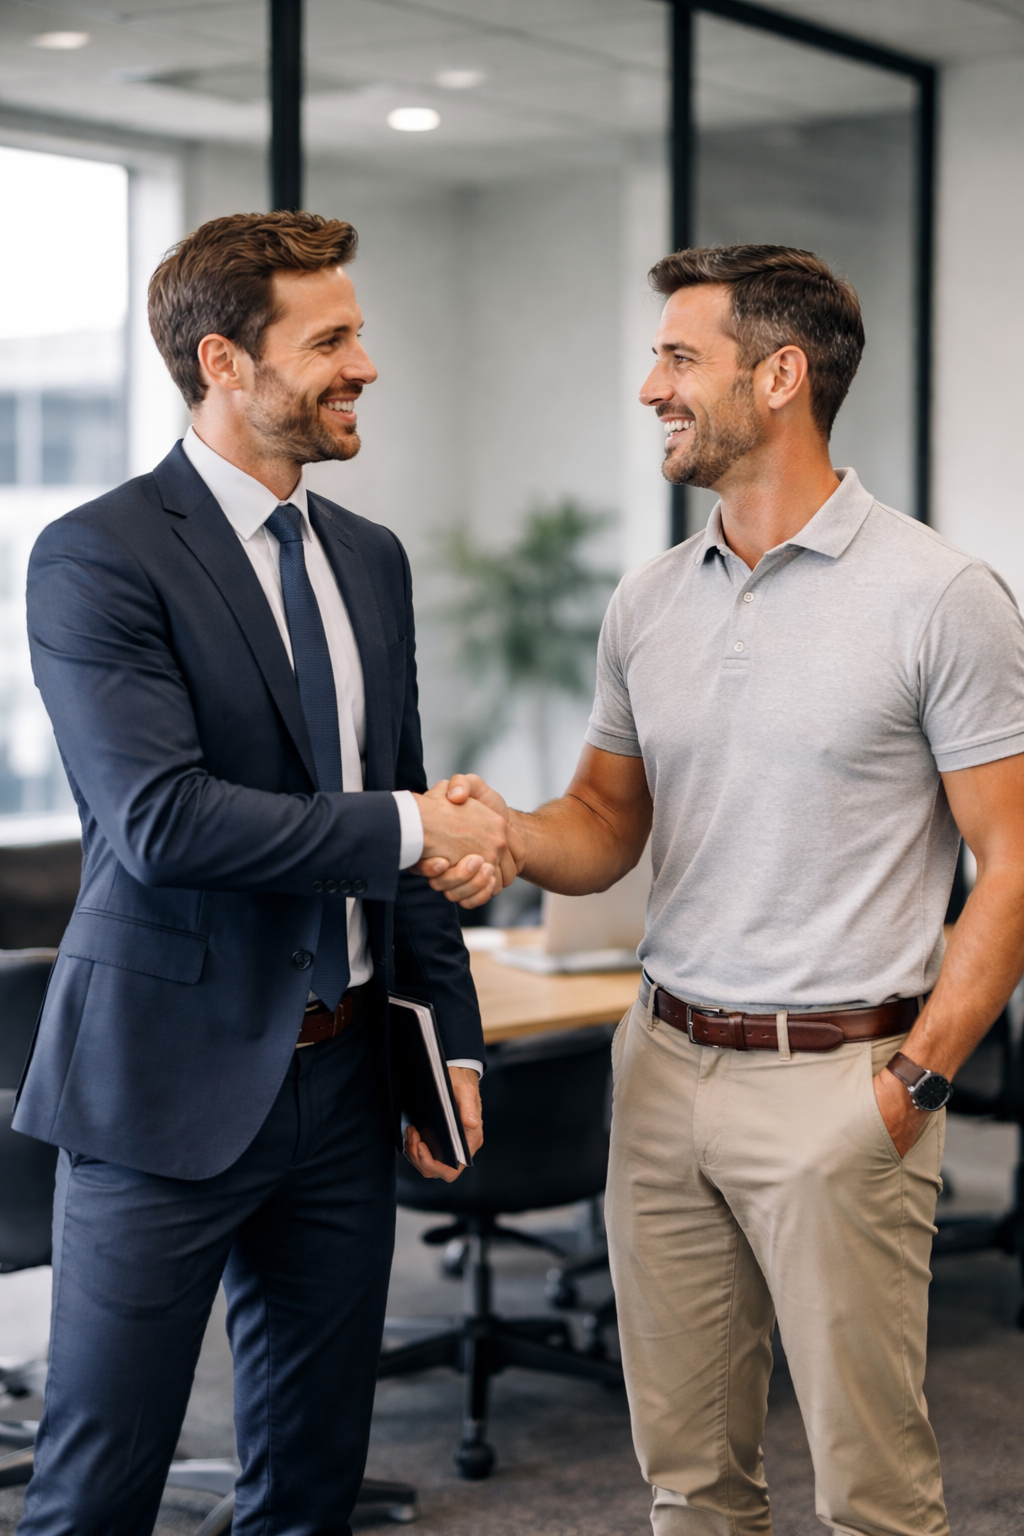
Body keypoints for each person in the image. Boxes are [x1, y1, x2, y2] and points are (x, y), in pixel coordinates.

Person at [428, 245, 1024, 1536]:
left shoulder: (941, 597)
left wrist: (916, 1082)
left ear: (783, 375)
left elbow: (1016, 864)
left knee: (873, 1497)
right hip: (660, 1073)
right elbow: (601, 823)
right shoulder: (650, 601)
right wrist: (506, 836)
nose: (652, 387)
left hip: (842, 1085)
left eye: (680, 357)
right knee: (689, 1485)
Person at [14, 210, 513, 1536]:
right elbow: (163, 823)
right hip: (159, 1088)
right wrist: (417, 826)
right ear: (225, 362)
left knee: (308, 1483)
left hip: (346, 1082)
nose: (367, 363)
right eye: (332, 338)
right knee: (97, 1489)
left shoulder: (370, 557)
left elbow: (394, 797)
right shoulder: (97, 554)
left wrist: (447, 1035)